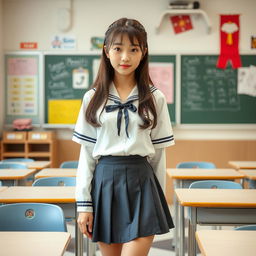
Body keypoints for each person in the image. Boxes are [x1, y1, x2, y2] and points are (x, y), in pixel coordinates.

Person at [72, 17, 175, 256]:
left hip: (142, 182)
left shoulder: (154, 97)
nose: (125, 57)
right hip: (106, 182)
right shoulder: (93, 98)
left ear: (143, 52)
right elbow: (86, 157)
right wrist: (83, 205)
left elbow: (159, 156)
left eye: (133, 49)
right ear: (107, 51)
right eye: (118, 49)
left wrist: (158, 198)